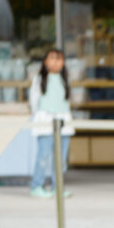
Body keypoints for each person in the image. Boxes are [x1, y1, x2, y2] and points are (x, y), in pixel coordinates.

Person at [28, 48, 72, 198]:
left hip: (63, 120)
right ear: (45, 61)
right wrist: (37, 117)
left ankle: (57, 187)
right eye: (52, 58)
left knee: (61, 158)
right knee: (43, 156)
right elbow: (34, 100)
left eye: (59, 58)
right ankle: (37, 185)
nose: (55, 62)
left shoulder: (65, 79)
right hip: (45, 120)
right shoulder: (39, 79)